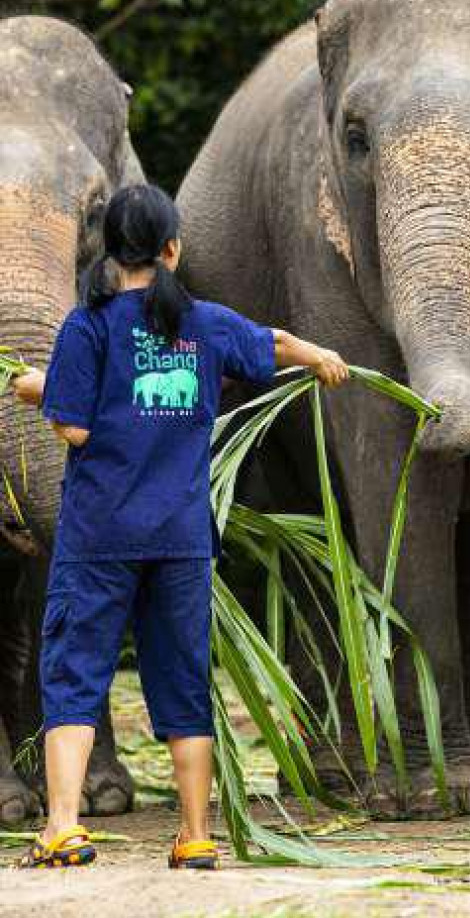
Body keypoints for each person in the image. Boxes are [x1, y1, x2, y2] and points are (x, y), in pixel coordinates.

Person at [11, 184, 350, 870]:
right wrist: (319, 358)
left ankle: (65, 828)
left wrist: (37, 386)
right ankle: (196, 834)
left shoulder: (89, 326)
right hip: (179, 538)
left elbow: (74, 423)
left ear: (110, 252)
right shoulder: (206, 323)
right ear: (173, 249)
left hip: (98, 537)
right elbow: (274, 342)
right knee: (184, 685)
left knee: (74, 678)